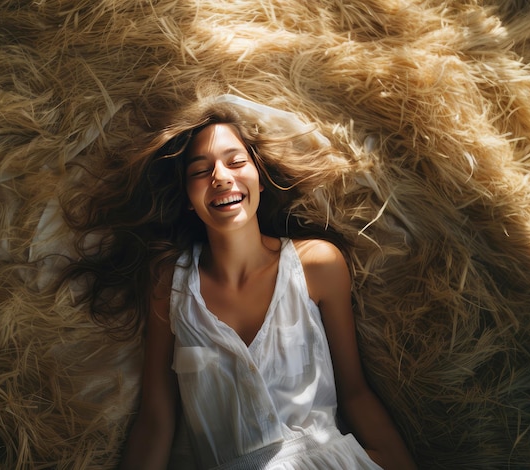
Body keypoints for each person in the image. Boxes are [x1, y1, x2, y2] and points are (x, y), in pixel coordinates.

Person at [62, 96, 416, 469]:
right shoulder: (170, 284)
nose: (220, 176)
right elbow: (156, 419)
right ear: (187, 198)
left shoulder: (316, 264)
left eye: (235, 162)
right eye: (201, 171)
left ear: (259, 180)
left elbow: (355, 393)